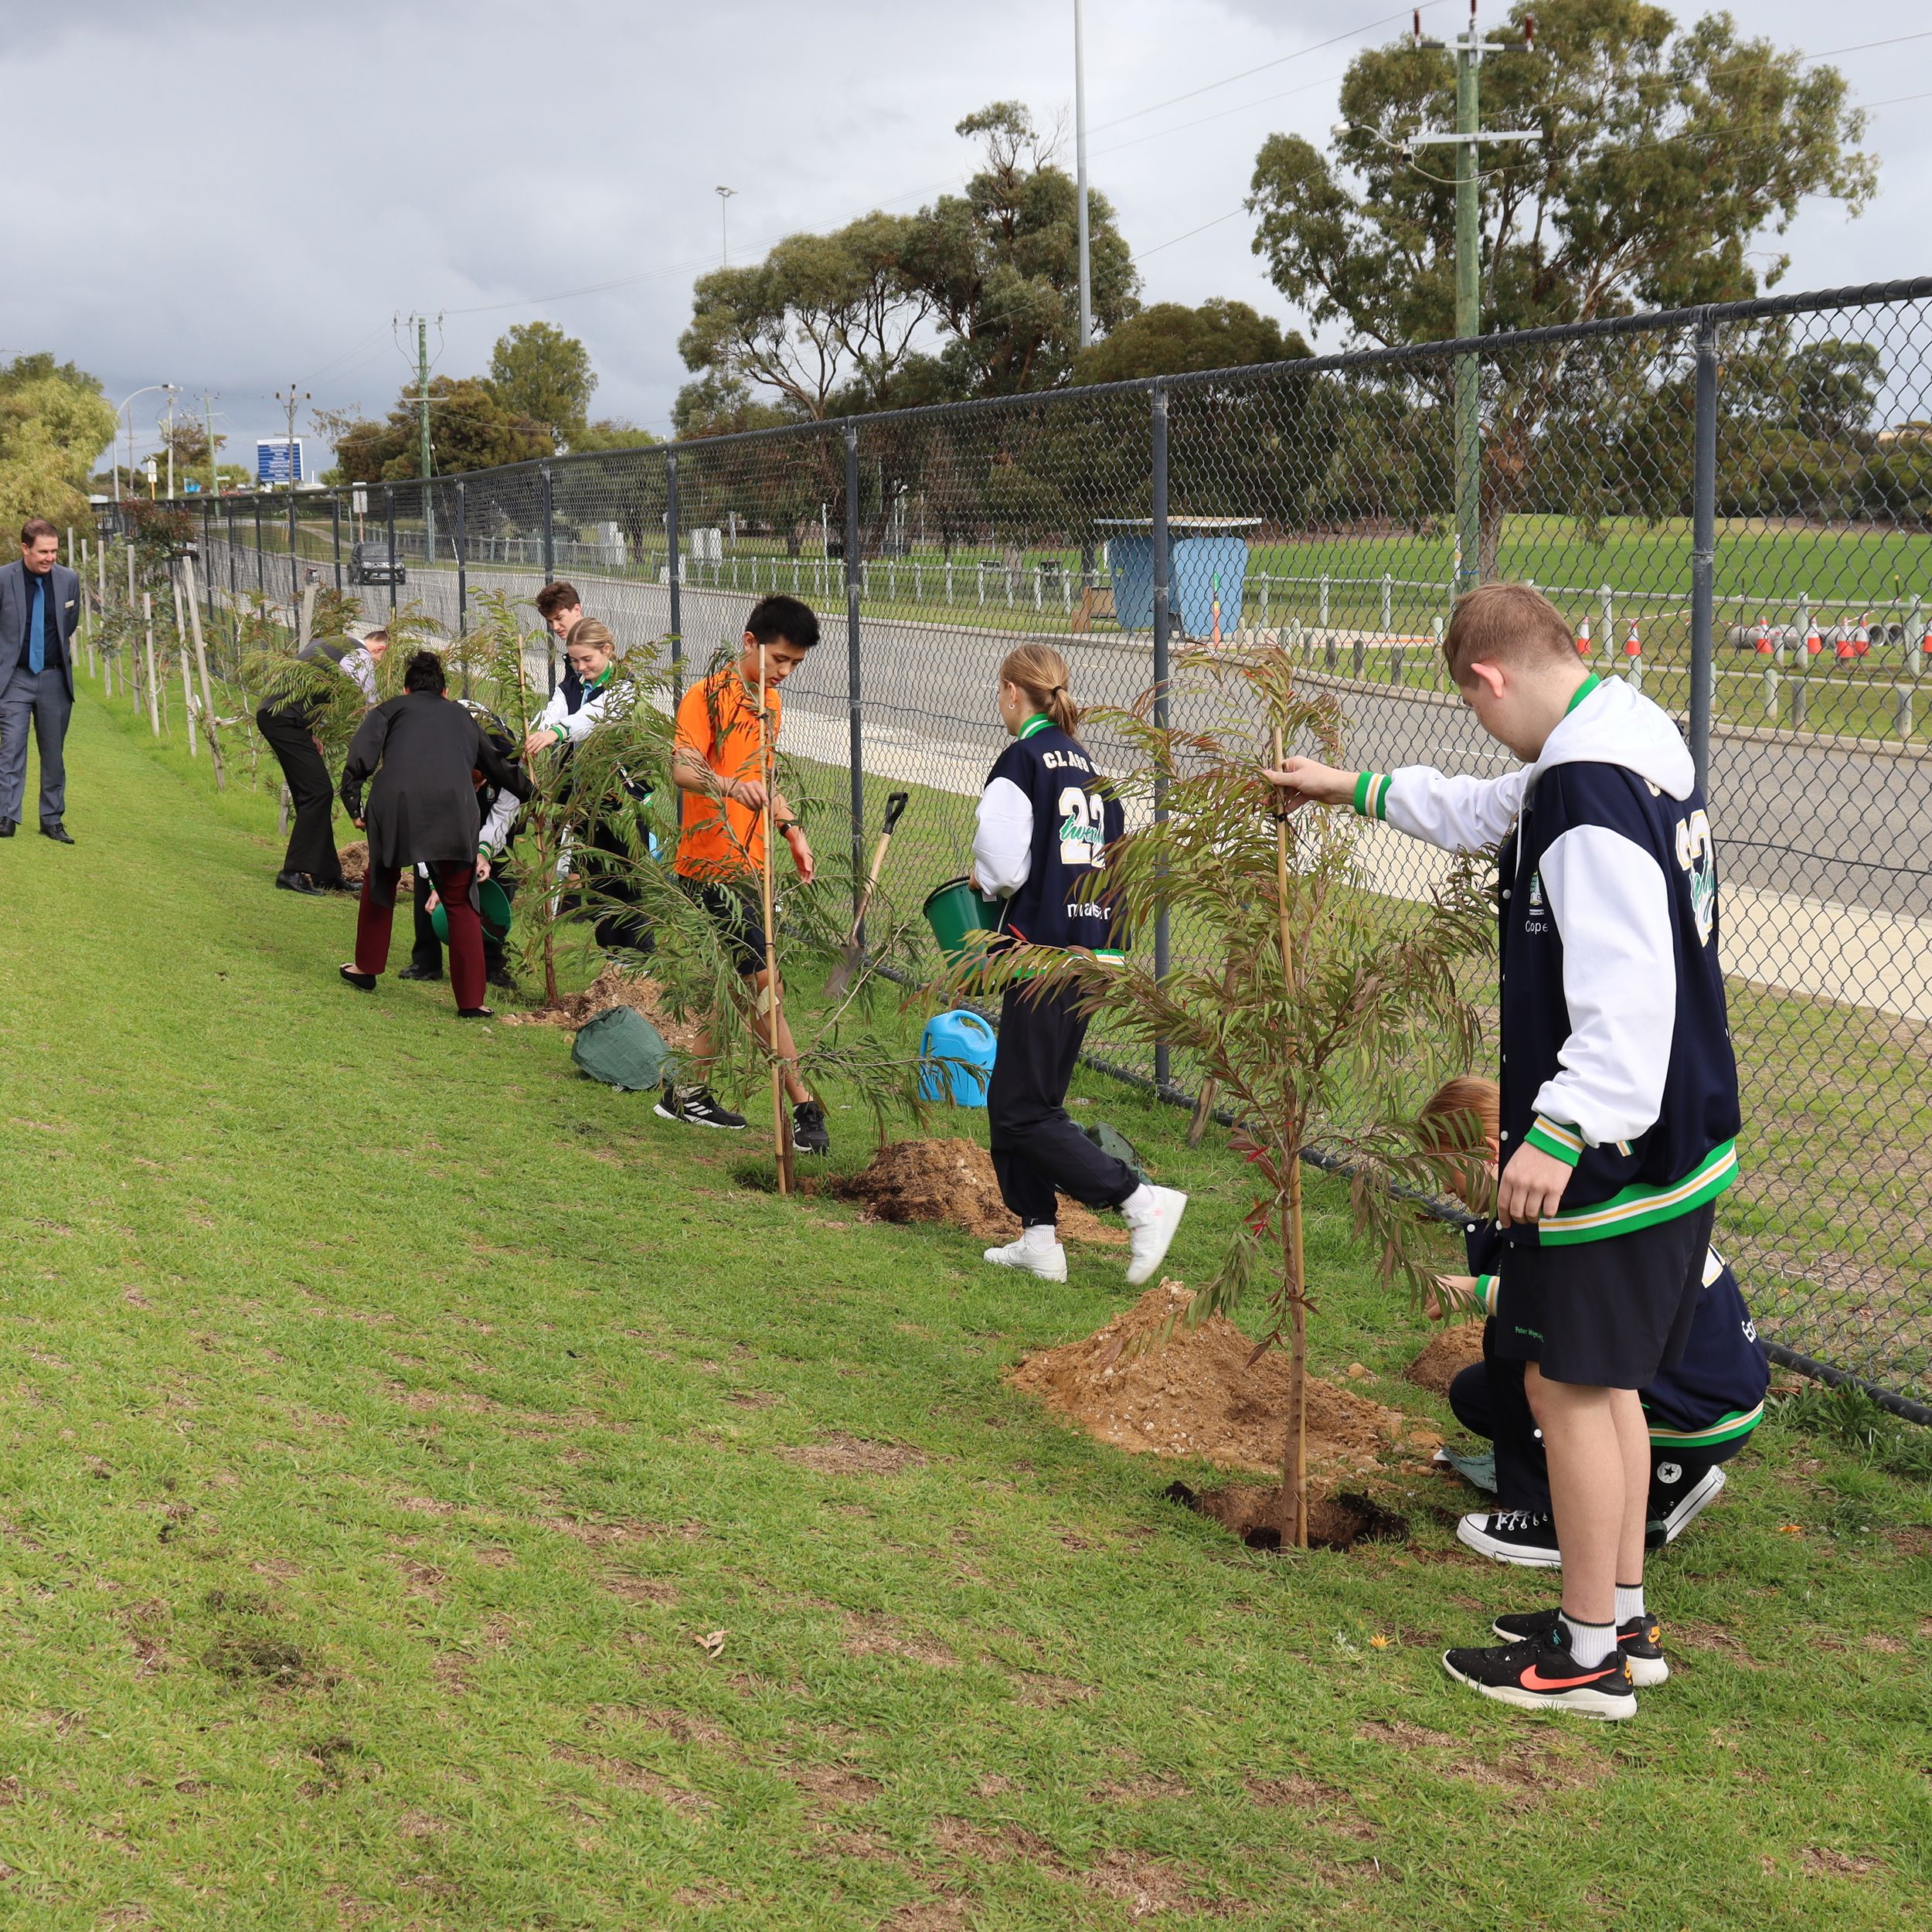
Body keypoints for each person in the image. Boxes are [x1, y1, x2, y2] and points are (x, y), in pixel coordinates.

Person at [1268, 581, 1740, 1721]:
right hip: (1681, 1134)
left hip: (1617, 1149)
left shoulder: (1584, 786)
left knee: (1563, 1386)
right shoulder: (1621, 735)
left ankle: (1584, 1662)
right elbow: (1488, 806)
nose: (1487, 731)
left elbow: (1630, 990)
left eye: (1474, 706)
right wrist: (1349, 786)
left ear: (1489, 676)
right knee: (1605, 1383)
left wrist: (1560, 1131)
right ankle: (1619, 1622)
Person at [1416, 1076, 1767, 1608]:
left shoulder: (1567, 1197)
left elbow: (1573, 1314)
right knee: (1476, 1394)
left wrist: (1476, 1290)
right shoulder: (1587, 1171)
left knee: (1523, 1341)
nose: (1451, 1195)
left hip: (1696, 1405)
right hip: (1708, 1388)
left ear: (1488, 1154)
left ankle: (1551, 1519)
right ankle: (1662, 1482)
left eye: (1452, 1179)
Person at [970, 644, 1187, 1290]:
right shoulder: (1094, 771)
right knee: (1023, 1100)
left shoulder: (1021, 759)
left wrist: (986, 883)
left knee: (1023, 1111)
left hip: (1044, 952)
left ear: (1013, 691)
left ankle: (1138, 1200)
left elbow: (1001, 864)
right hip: (1094, 952)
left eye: (1000, 691)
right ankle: (1038, 1237)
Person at [662, 594, 828, 1153]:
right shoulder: (706, 697)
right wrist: (729, 787)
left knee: (738, 985)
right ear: (750, 642)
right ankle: (804, 1106)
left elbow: (765, 780)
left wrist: (791, 829)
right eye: (780, 659)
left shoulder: (770, 705)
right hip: (710, 868)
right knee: (764, 983)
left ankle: (686, 1092)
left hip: (753, 867)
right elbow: (683, 768)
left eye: (795, 664)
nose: (786, 672)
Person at [338, 650, 530, 1018]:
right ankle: (472, 1002)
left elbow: (360, 757)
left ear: (406, 689)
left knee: (381, 882)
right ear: (445, 692)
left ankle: (366, 968)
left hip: (395, 805)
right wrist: (533, 795)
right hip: (453, 810)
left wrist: (354, 805)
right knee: (460, 899)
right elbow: (497, 765)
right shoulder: (462, 716)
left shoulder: (389, 710)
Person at [522, 618, 654, 957]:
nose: (581, 667)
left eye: (587, 660)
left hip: (620, 802)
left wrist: (556, 733)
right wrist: (536, 733)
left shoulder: (625, 686)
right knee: (597, 884)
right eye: (575, 660)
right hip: (584, 804)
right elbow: (554, 710)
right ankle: (613, 962)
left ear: (606, 650)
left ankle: (642, 962)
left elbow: (594, 717)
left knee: (628, 885)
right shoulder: (573, 685)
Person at [255, 624, 388, 893]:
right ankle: (291, 872)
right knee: (318, 792)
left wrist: (310, 730)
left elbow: (309, 684)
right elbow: (371, 706)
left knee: (313, 794)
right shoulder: (360, 655)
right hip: (284, 720)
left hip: (280, 716)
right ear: (380, 649)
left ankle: (326, 874)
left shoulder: (334, 642)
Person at [400, 701, 522, 991]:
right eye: (470, 778)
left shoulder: (511, 763)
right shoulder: (430, 759)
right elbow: (424, 829)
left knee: (497, 872)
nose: (475, 786)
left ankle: (491, 963)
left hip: (492, 815)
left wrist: (483, 852)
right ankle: (426, 960)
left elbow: (502, 816)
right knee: (428, 873)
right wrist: (436, 882)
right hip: (438, 812)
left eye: (480, 778)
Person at [0, 517, 82, 842]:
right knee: (11, 749)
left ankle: (51, 820)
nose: (50, 558)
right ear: (25, 549)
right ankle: (6, 816)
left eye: (54, 551)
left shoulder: (69, 580)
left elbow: (69, 624)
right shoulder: (3, 579)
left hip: (54, 678)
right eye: (43, 552)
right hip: (14, 679)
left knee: (53, 755)